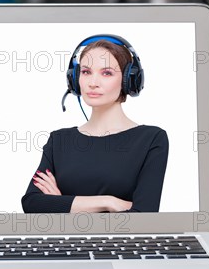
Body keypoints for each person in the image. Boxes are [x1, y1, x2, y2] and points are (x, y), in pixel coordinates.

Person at [21, 35, 168, 213]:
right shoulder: (59, 140)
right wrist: (109, 202)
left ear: (128, 80)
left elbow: (144, 215)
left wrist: (62, 204)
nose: (93, 83)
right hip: (66, 241)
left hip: (120, 241)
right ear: (75, 79)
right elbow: (32, 204)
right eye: (86, 72)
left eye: (106, 73)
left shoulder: (151, 139)